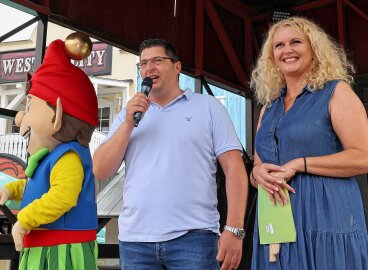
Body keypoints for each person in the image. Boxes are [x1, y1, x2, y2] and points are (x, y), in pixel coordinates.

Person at [92, 38, 248, 269]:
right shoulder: (129, 115)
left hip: (194, 237)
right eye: (143, 63)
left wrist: (234, 229)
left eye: (157, 60)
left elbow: (234, 168)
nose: (149, 67)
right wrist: (127, 123)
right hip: (136, 240)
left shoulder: (208, 107)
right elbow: (101, 169)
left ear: (177, 67)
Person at [249, 16, 368, 269]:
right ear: (272, 55)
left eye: (296, 42)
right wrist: (258, 172)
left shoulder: (336, 92)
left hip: (327, 214)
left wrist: (300, 164)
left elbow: (363, 157)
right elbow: (258, 166)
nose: (287, 50)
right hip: (275, 219)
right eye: (279, 45)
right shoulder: (268, 108)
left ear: (314, 49)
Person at [0, 36, 99, 269]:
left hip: (61, 252)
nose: (20, 118)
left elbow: (62, 197)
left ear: (57, 116)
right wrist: (11, 189)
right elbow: (37, 185)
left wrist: (24, 219)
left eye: (28, 107)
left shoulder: (68, 157)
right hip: (42, 247)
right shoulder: (49, 157)